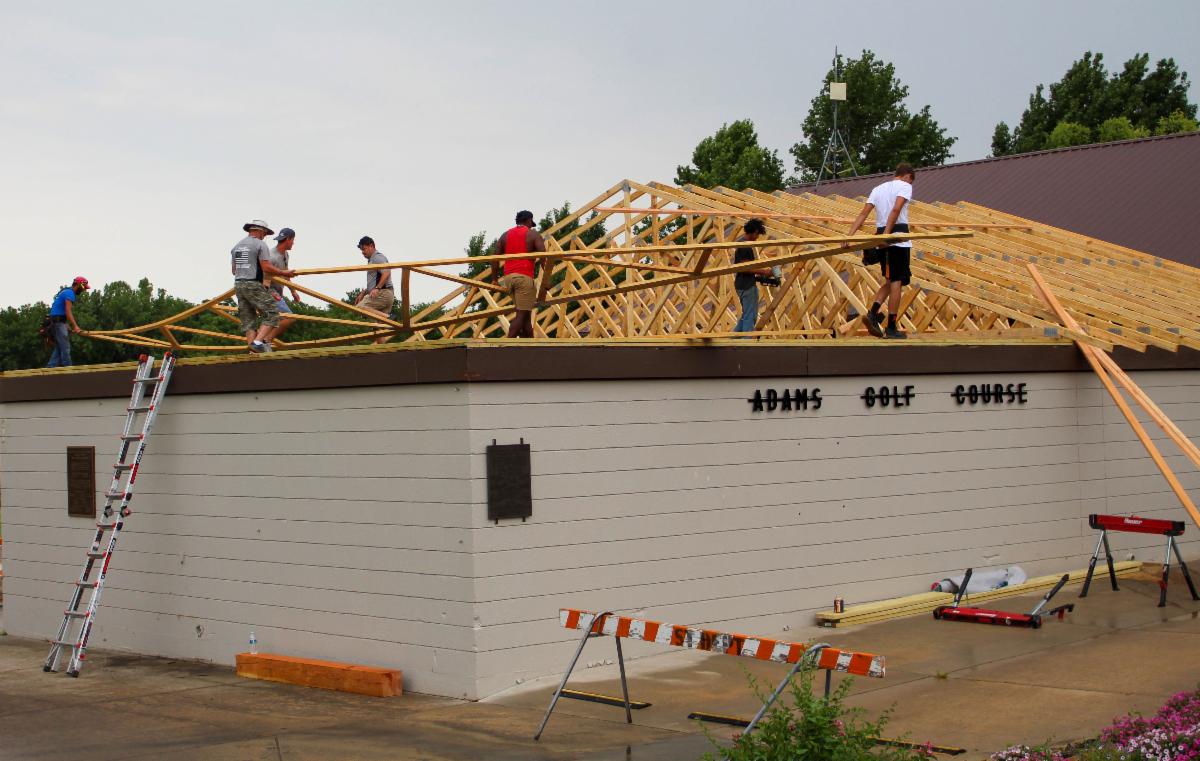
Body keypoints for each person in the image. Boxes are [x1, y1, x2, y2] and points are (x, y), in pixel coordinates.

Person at [849, 162, 915, 339]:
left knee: (889, 279)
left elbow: (863, 214)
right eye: (911, 181)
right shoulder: (905, 186)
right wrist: (887, 235)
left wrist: (849, 236)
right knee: (897, 282)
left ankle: (873, 313)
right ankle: (891, 327)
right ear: (908, 176)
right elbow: (896, 208)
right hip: (896, 237)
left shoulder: (878, 189)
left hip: (881, 236)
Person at [232, 219, 295, 353]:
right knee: (273, 312)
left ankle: (252, 351)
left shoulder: (237, 246)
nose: (265, 236)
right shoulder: (260, 245)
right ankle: (258, 342)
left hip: (238, 284)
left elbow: (234, 270)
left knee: (248, 320)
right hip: (253, 283)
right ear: (260, 231)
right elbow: (266, 267)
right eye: (265, 233)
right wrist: (283, 272)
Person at [493, 210, 546, 338]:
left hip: (509, 278)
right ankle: (507, 345)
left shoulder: (505, 235)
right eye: (531, 223)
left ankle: (529, 348)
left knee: (526, 316)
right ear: (529, 220)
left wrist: (494, 279)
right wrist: (547, 280)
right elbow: (545, 257)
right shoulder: (533, 235)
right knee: (521, 314)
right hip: (524, 277)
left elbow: (494, 258)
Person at [732, 218, 778, 333]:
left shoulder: (741, 243)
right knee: (750, 316)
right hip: (747, 286)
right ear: (755, 231)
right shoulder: (745, 246)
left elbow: (744, 266)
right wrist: (765, 272)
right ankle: (746, 344)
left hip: (741, 284)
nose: (758, 237)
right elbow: (744, 266)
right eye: (758, 234)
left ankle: (733, 339)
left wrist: (759, 275)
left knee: (746, 315)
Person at [354, 236, 395, 344]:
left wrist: (377, 288)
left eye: (364, 249)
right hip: (385, 294)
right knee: (377, 327)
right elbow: (373, 282)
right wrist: (363, 293)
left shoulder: (377, 257)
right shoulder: (371, 260)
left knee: (360, 308)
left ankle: (389, 318)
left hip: (383, 293)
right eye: (361, 250)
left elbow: (386, 272)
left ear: (371, 245)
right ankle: (384, 352)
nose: (362, 252)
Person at [265, 228, 301, 341]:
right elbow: (263, 278)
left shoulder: (285, 255)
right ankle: (265, 341)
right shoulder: (271, 257)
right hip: (268, 292)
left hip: (277, 292)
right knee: (289, 317)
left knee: (274, 321)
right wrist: (270, 294)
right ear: (288, 239)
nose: (294, 243)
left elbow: (286, 274)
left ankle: (260, 344)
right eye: (293, 240)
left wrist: (293, 291)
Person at [46, 277, 88, 367]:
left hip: (56, 322)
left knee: (59, 348)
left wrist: (65, 324)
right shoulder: (70, 293)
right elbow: (68, 311)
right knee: (65, 348)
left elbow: (60, 310)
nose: (84, 290)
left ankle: (50, 368)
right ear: (79, 285)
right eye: (84, 287)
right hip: (57, 323)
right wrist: (75, 326)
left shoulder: (66, 292)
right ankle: (69, 370)